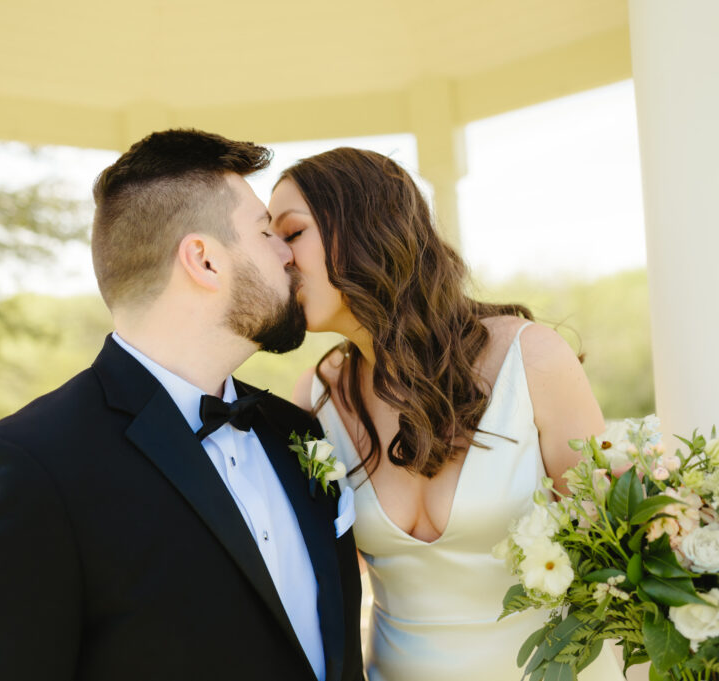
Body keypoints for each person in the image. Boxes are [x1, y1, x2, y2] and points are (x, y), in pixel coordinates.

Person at [0, 129, 364, 681]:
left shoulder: (297, 432)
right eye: (266, 231)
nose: (288, 253)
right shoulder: (24, 471)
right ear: (204, 260)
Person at [267, 147, 625, 681]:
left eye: (292, 234)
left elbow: (619, 549)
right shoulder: (317, 400)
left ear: (364, 226)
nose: (281, 258)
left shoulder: (528, 359)